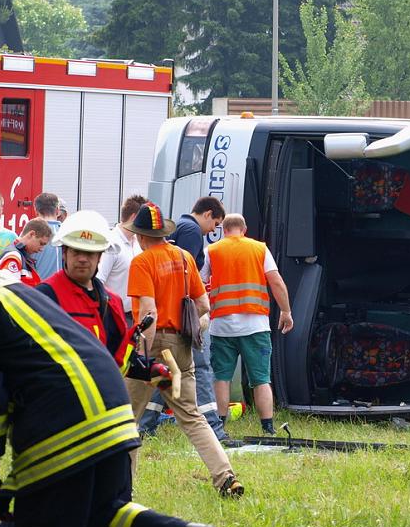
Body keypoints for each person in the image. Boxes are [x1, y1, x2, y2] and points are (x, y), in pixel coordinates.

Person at [0, 220, 225, 527]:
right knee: (101, 517)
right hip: (114, 414)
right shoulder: (6, 285)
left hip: (61, 421)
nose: (83, 260)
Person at [124, 203, 243, 497]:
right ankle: (226, 476)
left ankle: (121, 488)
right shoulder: (184, 257)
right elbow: (203, 306)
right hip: (180, 348)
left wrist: (143, 355)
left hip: (154, 346)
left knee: (127, 420)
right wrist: (190, 334)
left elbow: (148, 312)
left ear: (140, 236)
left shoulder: (142, 262)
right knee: (192, 416)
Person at [142, 196, 227, 441]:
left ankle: (146, 425)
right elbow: (183, 276)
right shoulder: (191, 230)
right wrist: (193, 317)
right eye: (215, 223)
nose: (213, 230)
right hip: (183, 318)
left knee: (166, 373)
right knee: (200, 369)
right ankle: (213, 428)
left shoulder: (180, 226)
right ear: (208, 214)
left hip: (168, 319)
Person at [201, 213, 293, 437]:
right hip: (255, 326)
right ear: (244, 229)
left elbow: (201, 283)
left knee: (221, 377)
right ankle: (268, 427)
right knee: (261, 379)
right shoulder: (259, 249)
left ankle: (220, 426)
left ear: (224, 230)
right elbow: (276, 281)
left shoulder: (211, 251)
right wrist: (286, 311)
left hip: (221, 325)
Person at [37, 210, 132, 368]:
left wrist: (148, 370)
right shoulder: (44, 296)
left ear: (100, 257)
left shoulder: (113, 303)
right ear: (64, 253)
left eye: (89, 253)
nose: (82, 259)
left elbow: (116, 357)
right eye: (76, 251)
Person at [97, 195, 146, 326]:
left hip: (134, 316)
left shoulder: (137, 242)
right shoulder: (111, 244)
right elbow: (98, 282)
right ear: (134, 218)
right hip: (113, 317)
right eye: (145, 220)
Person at [0, 218, 52, 287]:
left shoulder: (22, 256)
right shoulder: (14, 257)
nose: (41, 249)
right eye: (41, 243)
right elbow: (10, 289)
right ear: (31, 234)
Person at [32, 192, 62, 280]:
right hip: (58, 289)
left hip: (34, 289)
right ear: (57, 210)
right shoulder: (66, 233)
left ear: (36, 211)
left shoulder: (28, 233)